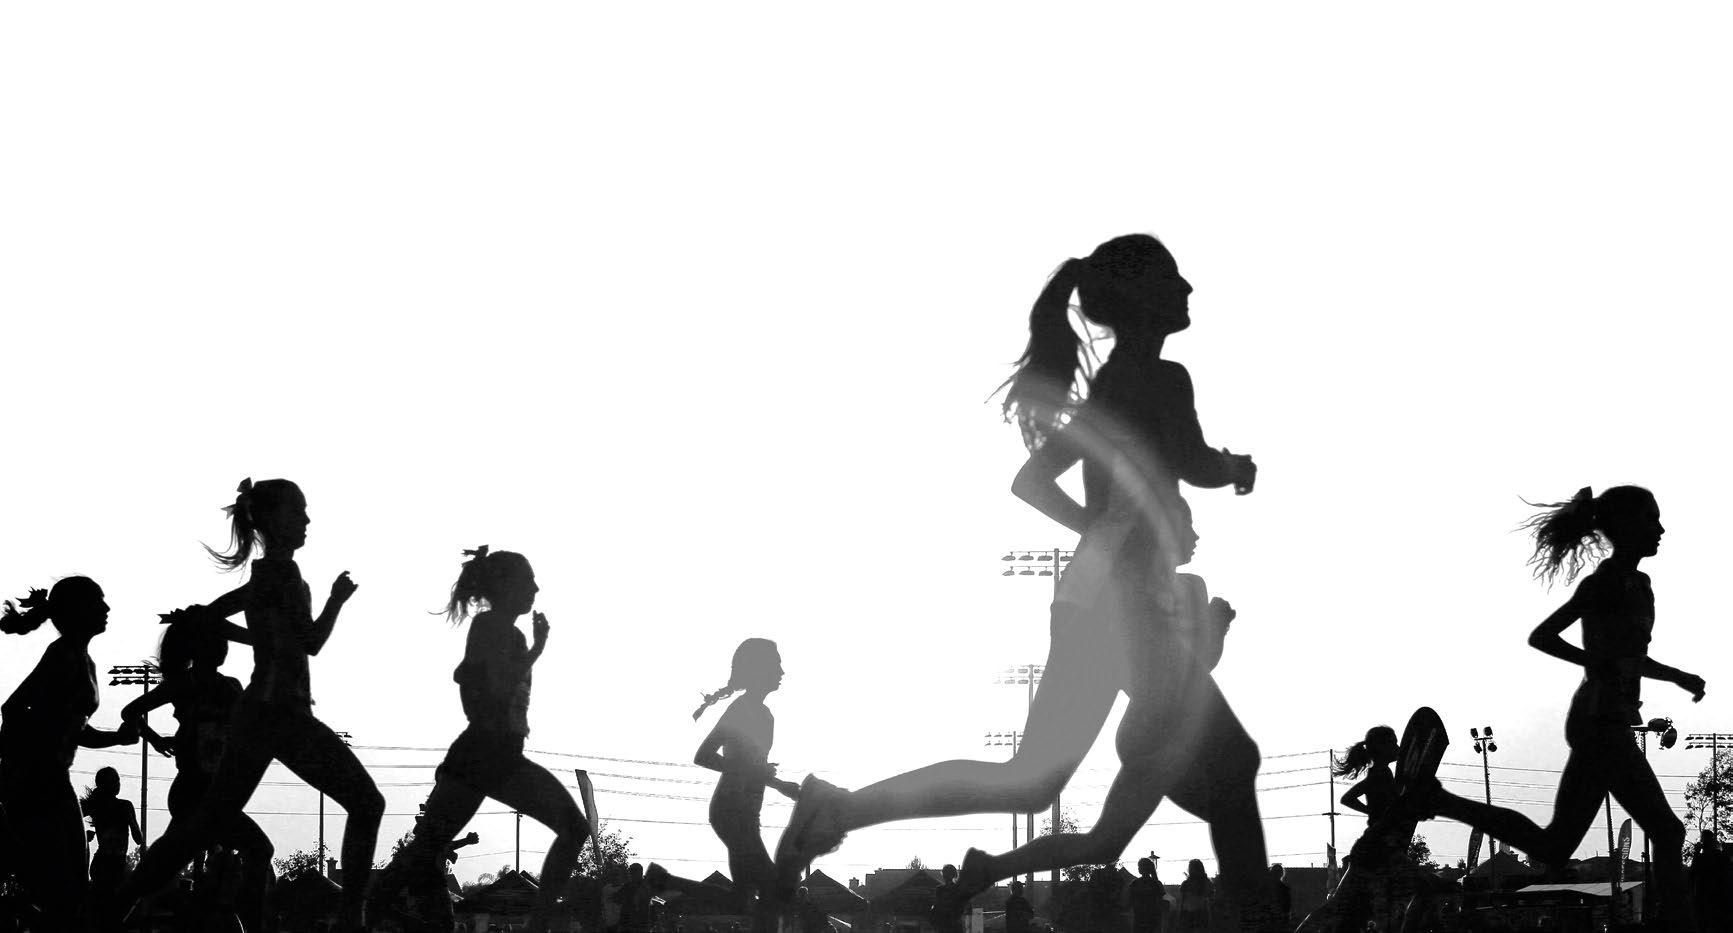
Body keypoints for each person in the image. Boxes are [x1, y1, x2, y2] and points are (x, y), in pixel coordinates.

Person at [775, 235, 1267, 922]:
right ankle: (1257, 916)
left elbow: (1031, 481)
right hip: (1124, 608)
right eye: (1173, 279)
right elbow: (1192, 459)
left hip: (1093, 602)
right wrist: (1234, 467)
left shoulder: (1109, 391)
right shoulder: (1159, 380)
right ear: (1142, 299)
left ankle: (840, 806)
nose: (1187, 290)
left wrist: (1101, 529)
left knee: (1032, 781)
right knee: (1232, 763)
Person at [1412, 487, 1704, 931]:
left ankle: (1440, 800)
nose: (1660, 529)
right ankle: (1677, 924)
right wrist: (1595, 662)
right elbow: (1544, 636)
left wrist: (1678, 676)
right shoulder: (1603, 583)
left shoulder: (1640, 585)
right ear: (1626, 526)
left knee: (1554, 847)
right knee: (1667, 831)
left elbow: (1631, 658)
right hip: (1599, 721)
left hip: (1610, 720)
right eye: (1651, 520)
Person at [112, 478, 384, 931]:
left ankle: (110, 908)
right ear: (273, 520)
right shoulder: (282, 574)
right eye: (298, 511)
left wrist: (253, 636)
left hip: (260, 712)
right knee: (367, 803)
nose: (307, 520)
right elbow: (311, 641)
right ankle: (351, 918)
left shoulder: (265, 574)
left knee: (201, 828)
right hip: (281, 713)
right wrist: (336, 601)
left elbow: (214, 617)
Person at [370, 547, 591, 933]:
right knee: (572, 827)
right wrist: (537, 650)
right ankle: (363, 913)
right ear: (505, 586)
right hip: (486, 753)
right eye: (527, 581)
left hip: (490, 754)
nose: (535, 589)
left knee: (424, 850)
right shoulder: (491, 627)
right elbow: (496, 686)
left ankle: (363, 913)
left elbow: (481, 680)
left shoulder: (504, 632)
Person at [121, 607, 274, 932]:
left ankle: (115, 913)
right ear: (198, 647)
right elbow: (130, 711)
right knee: (254, 850)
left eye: (223, 640)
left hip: (216, 795)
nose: (223, 646)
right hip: (193, 792)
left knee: (160, 870)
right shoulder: (183, 685)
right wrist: (155, 739)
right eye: (216, 640)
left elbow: (251, 723)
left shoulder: (230, 687)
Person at [0, 576, 139, 928]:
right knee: (64, 888)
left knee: (69, 888)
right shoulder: (61, 655)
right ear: (78, 610)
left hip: (53, 780)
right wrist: (18, 766)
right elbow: (13, 708)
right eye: (98, 601)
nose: (106, 608)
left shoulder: (84, 661)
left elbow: (76, 731)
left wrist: (117, 739)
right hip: (37, 783)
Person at [693, 638, 800, 931]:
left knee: (745, 898)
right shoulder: (742, 710)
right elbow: (703, 755)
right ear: (759, 670)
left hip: (747, 812)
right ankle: (661, 882)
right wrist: (766, 777)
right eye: (776, 664)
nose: (782, 671)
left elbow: (752, 770)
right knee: (772, 889)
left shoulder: (764, 714)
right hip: (731, 810)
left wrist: (778, 783)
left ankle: (662, 882)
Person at [82, 767, 142, 918]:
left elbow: (70, 820)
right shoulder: (125, 806)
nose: (118, 784)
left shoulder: (96, 806)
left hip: (102, 865)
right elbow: (138, 839)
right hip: (115, 867)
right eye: (116, 780)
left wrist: (83, 835)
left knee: (103, 911)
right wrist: (130, 820)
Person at [1129, 858, 1166, 933]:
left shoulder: (1135, 883)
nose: (1138, 868)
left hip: (1140, 917)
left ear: (1144, 868)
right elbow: (1160, 901)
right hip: (1152, 917)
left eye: (1139, 866)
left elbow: (1130, 900)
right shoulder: (1157, 883)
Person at [928, 864, 966, 933]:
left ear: (943, 875)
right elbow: (961, 909)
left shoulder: (940, 889)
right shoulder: (959, 889)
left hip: (943, 925)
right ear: (954, 875)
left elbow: (936, 907)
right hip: (955, 925)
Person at [1176, 860, 1211, 933]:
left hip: (1190, 914)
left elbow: (1181, 902)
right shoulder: (1207, 883)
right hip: (1200, 913)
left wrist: (1180, 916)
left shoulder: (1186, 884)